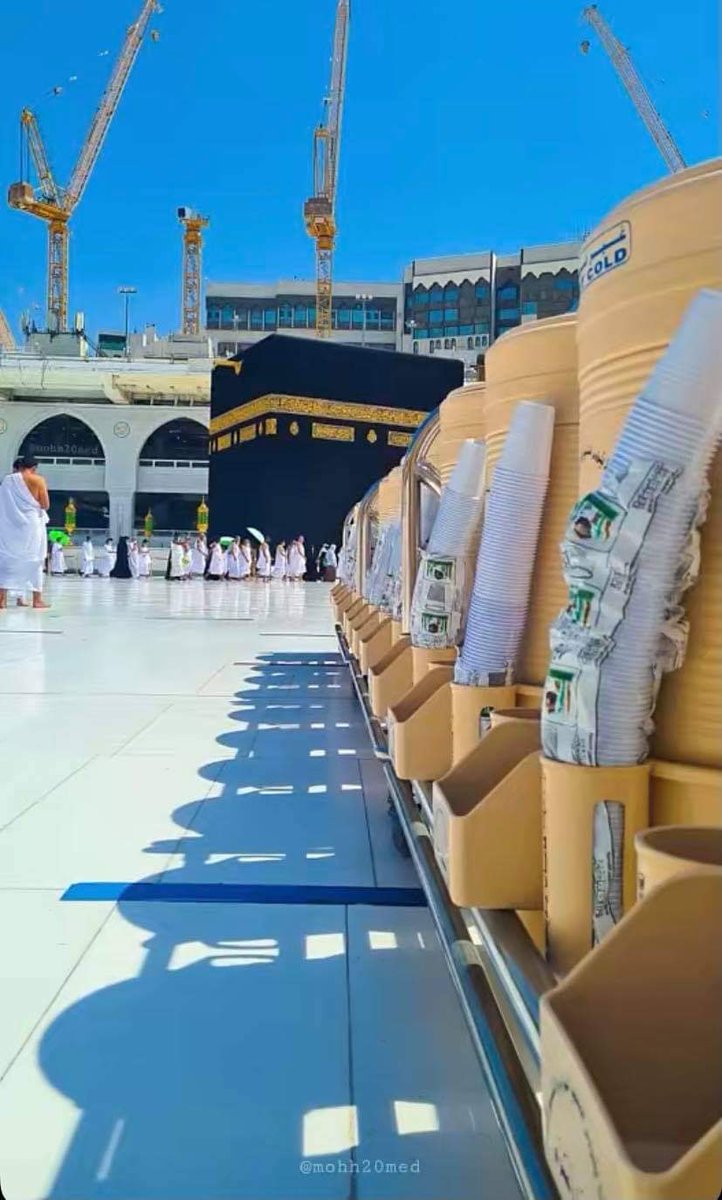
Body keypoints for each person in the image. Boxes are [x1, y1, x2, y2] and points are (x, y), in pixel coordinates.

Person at [0, 455, 50, 610]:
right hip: (31, 525)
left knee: (7, 559)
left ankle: (1, 600)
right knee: (34, 559)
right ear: (34, 467)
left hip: (11, 525)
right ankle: (37, 600)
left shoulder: (8, 480)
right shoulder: (38, 480)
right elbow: (45, 504)